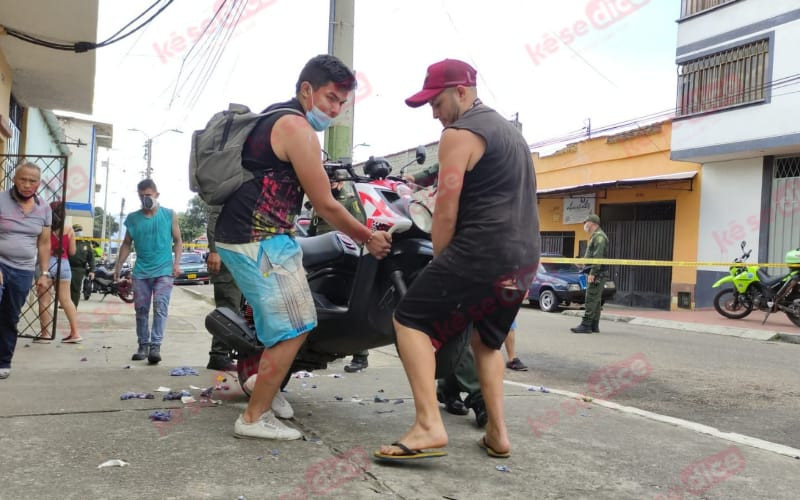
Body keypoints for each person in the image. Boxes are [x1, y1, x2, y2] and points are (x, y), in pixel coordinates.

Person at [213, 54, 391, 440]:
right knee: (295, 326)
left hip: (252, 235)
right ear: (306, 90)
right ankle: (253, 418)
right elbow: (326, 203)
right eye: (330, 97)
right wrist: (368, 237)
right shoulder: (295, 127)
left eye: (343, 102)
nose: (335, 109)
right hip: (257, 238)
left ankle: (265, 388)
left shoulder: (276, 117)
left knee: (280, 323)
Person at [376, 59, 539, 461]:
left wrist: (442, 264)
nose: (433, 112)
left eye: (436, 101)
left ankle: (429, 425)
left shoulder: (459, 133)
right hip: (524, 258)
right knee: (486, 342)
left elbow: (446, 211)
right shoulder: (511, 135)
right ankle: (498, 434)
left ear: (462, 92)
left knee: (409, 318)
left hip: (481, 249)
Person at [114, 179, 182, 364]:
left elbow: (178, 241)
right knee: (141, 310)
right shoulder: (133, 219)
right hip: (141, 273)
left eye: (148, 195)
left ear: (157, 195)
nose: (145, 199)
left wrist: (177, 263)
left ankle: (155, 347)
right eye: (142, 196)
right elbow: (127, 244)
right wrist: (118, 267)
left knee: (160, 308)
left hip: (164, 272)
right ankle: (143, 345)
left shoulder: (169, 215)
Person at [0, 163, 53, 379]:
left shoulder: (44, 209)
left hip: (23, 270)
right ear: (15, 179)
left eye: (32, 181)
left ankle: (3, 361)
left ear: (38, 184)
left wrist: (44, 273)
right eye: (23, 179)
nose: (27, 184)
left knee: (10, 316)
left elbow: (44, 243)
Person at [36, 201, 82, 343]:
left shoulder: (44, 228)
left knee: (44, 301)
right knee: (67, 300)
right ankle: (75, 333)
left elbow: (38, 246)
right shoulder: (69, 230)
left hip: (46, 263)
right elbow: (73, 252)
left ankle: (45, 335)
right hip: (64, 264)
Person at [571, 214, 608, 334]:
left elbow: (598, 257)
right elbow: (592, 257)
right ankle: (594, 325)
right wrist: (583, 264)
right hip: (596, 271)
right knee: (596, 301)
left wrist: (592, 273)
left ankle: (586, 325)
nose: (584, 224)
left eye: (586, 222)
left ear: (592, 223)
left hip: (597, 273)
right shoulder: (595, 236)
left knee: (591, 298)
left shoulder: (599, 237)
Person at [68, 224, 95, 308]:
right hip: (67, 267)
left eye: (80, 231)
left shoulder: (86, 243)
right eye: (76, 231)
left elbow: (91, 258)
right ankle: (66, 305)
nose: (78, 233)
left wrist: (92, 271)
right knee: (65, 289)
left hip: (79, 269)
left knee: (76, 289)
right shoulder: (69, 240)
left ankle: (73, 306)